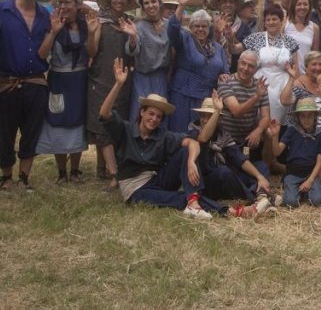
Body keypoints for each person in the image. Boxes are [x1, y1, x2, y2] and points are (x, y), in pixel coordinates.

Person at [101, 59, 269, 219]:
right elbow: (105, 114)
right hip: (136, 188)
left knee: (189, 156)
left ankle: (194, 202)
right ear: (141, 112)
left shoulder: (162, 134)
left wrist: (190, 160)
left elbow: (193, 143)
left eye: (159, 116)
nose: (154, 119)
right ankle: (233, 212)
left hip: (159, 179)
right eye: (151, 113)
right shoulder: (126, 130)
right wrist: (118, 84)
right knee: (180, 198)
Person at [0, 0, 54, 191]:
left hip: (35, 81)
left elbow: (45, 49)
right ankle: (6, 176)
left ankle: (24, 177)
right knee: (4, 133)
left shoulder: (45, 15)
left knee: (31, 131)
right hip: (6, 82)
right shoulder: (0, 9)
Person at [34, 0, 92, 184]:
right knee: (57, 120)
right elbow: (42, 55)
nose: (63, 6)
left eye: (67, 2)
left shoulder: (86, 26)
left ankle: (75, 170)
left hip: (80, 80)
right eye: (60, 2)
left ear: (78, 4)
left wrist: (92, 30)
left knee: (78, 123)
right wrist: (53, 32)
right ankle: (61, 172)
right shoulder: (52, 24)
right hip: (58, 79)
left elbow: (92, 52)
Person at [86, 0, 139, 188]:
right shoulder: (99, 21)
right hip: (102, 78)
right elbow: (91, 52)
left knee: (117, 124)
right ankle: (115, 174)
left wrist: (132, 36)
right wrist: (90, 33)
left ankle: (105, 169)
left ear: (127, 2)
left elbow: (135, 53)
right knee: (102, 123)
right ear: (109, 0)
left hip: (124, 80)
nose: (119, 0)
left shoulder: (131, 22)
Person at [190, 94, 272, 205]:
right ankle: (255, 196)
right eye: (202, 116)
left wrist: (260, 176)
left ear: (219, 119)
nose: (204, 120)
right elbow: (203, 138)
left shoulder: (223, 135)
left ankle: (260, 192)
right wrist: (217, 111)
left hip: (229, 178)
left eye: (209, 116)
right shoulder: (194, 128)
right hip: (207, 182)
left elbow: (239, 158)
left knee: (261, 166)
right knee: (224, 172)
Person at [168, 0, 228, 133]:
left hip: (206, 100)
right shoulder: (185, 39)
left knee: (202, 135)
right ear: (191, 27)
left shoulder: (218, 47)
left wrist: (224, 75)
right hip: (183, 96)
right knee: (181, 134)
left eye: (204, 26)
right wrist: (181, 5)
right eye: (196, 26)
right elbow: (172, 30)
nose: (200, 29)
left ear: (209, 28)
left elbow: (225, 70)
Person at [231, 4, 299, 123]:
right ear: (264, 22)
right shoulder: (256, 38)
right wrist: (229, 38)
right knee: (258, 119)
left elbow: (295, 67)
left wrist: (291, 83)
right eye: (268, 19)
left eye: (274, 19)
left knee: (277, 123)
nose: (271, 22)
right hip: (260, 84)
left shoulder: (290, 42)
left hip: (282, 87)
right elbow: (234, 50)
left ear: (281, 21)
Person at [217, 51, 272, 175]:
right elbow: (236, 111)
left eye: (251, 66)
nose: (245, 68)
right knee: (232, 172)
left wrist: (258, 130)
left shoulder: (259, 85)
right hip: (228, 140)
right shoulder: (225, 82)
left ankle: (267, 169)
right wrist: (256, 96)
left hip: (248, 140)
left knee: (268, 132)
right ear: (238, 62)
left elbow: (266, 116)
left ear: (256, 69)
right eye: (243, 63)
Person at [268, 97, 321, 207]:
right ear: (297, 117)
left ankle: (306, 189)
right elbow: (276, 152)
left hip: (310, 173)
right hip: (293, 172)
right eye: (303, 116)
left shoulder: (320, 135)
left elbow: (319, 162)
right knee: (291, 202)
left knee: (318, 201)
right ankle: (297, 189)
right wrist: (275, 136)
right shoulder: (292, 131)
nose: (306, 119)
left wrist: (310, 181)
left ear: (315, 116)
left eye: (310, 115)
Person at [129, 0, 171, 123]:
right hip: (142, 77)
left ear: (159, 3)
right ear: (142, 7)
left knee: (159, 113)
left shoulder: (169, 24)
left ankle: (159, 143)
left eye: (153, 1)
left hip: (161, 77)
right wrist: (132, 38)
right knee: (140, 113)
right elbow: (132, 51)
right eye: (146, 3)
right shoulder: (138, 27)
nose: (150, 5)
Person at [284, 0, 319, 74]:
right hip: (286, 73)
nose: (302, 7)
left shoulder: (314, 28)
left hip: (305, 75)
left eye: (305, 4)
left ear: (310, 7)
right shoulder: (285, 24)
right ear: (293, 6)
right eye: (299, 4)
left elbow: (314, 56)